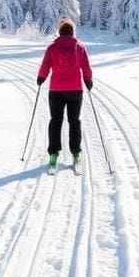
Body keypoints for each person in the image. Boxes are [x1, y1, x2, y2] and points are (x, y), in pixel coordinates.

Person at [36, 17, 93, 170]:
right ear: (72, 32)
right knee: (74, 121)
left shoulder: (52, 48)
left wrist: (41, 77)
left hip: (56, 91)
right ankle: (76, 153)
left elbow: (46, 65)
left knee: (56, 120)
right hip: (75, 90)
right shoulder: (80, 47)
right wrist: (88, 81)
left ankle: (53, 153)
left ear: (59, 32)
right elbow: (86, 66)